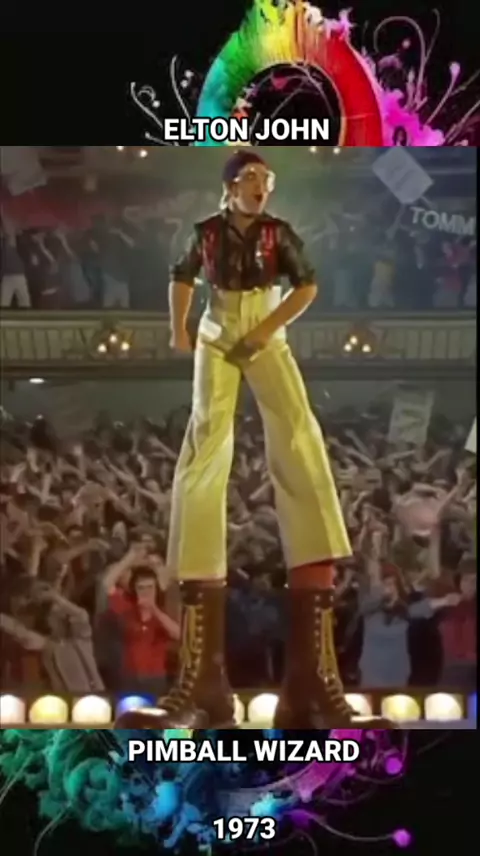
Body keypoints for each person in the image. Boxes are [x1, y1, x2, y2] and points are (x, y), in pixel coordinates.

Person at [115, 150, 388, 729]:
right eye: (250, 178)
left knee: (300, 440)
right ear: (230, 186)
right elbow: (181, 277)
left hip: (266, 333)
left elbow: (306, 287)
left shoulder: (278, 233)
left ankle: (311, 683)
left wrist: (265, 331)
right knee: (205, 445)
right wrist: (179, 329)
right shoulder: (207, 232)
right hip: (216, 332)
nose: (260, 186)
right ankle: (202, 682)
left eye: (266, 179)